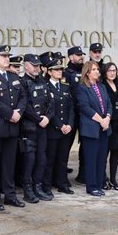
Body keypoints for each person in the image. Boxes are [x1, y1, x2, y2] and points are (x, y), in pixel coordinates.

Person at [0, 45, 27, 210]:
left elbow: (23, 96)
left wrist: (19, 112)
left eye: (8, 56)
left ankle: (10, 195)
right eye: (3, 56)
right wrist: (10, 113)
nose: (7, 59)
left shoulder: (13, 76)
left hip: (12, 127)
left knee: (9, 163)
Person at [20, 53, 52, 203]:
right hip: (30, 127)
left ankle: (38, 187)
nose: (37, 68)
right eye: (34, 65)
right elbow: (25, 106)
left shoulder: (43, 81)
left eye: (38, 65)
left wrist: (47, 117)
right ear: (26, 65)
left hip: (43, 126)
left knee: (41, 158)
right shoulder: (23, 82)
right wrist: (39, 119)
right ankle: (28, 189)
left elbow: (50, 103)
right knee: (29, 159)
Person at [76, 61, 112, 196]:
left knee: (102, 158)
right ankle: (91, 186)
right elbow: (85, 107)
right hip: (91, 129)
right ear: (87, 72)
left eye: (98, 69)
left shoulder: (101, 86)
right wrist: (101, 120)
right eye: (94, 69)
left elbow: (109, 104)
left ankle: (99, 183)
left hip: (104, 128)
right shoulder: (82, 88)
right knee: (91, 159)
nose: (97, 71)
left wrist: (107, 117)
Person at [43, 57, 75, 195]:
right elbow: (49, 110)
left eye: (60, 69)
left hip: (65, 129)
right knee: (50, 159)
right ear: (49, 72)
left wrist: (69, 124)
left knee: (63, 159)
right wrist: (60, 125)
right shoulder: (45, 87)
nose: (59, 71)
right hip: (53, 129)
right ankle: (47, 185)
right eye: (56, 69)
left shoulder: (65, 87)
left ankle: (62, 183)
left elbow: (71, 109)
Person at [101, 62, 118, 191]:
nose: (112, 73)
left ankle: (114, 179)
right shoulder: (102, 85)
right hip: (107, 121)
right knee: (105, 152)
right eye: (109, 70)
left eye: (114, 70)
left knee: (116, 152)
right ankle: (103, 179)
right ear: (105, 72)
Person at [64, 46, 86, 184]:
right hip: (71, 114)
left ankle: (83, 173)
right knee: (66, 144)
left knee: (84, 145)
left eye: (81, 55)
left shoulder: (85, 71)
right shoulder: (66, 73)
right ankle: (61, 174)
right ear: (71, 57)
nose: (80, 57)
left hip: (84, 114)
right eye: (78, 55)